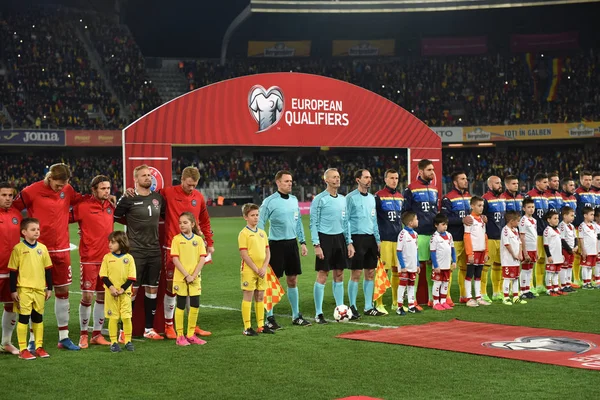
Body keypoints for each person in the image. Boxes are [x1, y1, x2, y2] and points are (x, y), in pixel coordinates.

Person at [13, 163, 84, 351]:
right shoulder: (31, 191)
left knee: (63, 292)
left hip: (61, 249)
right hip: (37, 250)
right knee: (34, 295)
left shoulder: (67, 190)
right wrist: (23, 233)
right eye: (58, 185)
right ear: (49, 178)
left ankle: (64, 337)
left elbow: (80, 201)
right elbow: (14, 209)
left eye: (63, 185)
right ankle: (32, 340)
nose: (61, 188)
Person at [159, 167, 214, 339]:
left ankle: (193, 325)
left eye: (194, 185)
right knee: (171, 288)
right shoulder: (167, 192)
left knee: (193, 287)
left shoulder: (198, 197)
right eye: (189, 184)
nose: (191, 188)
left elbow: (204, 221)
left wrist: (210, 243)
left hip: (193, 249)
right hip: (172, 247)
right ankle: (169, 326)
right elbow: (149, 197)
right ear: (181, 179)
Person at [114, 165, 165, 340]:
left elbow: (166, 217)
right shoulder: (128, 198)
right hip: (135, 252)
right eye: (143, 175)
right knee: (131, 292)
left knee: (152, 290)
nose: (147, 178)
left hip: (154, 251)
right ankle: (123, 332)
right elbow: (112, 217)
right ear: (135, 179)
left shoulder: (158, 198)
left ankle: (149, 329)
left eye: (149, 175)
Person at [258, 170, 310, 328]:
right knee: (273, 281)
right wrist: (261, 244)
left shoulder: (294, 200)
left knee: (293, 279)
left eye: (291, 181)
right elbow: (260, 223)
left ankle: (296, 316)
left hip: (292, 244)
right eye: (286, 181)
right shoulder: (269, 201)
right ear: (278, 183)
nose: (290, 184)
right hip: (275, 245)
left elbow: (298, 221)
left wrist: (302, 242)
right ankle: (269, 317)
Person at [71, 175, 114, 348]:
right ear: (94, 189)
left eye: (108, 188)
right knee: (88, 295)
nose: (107, 191)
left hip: (107, 259)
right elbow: (61, 220)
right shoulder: (83, 207)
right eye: (103, 188)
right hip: (89, 258)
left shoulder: (111, 206)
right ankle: (83, 334)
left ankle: (96, 334)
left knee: (103, 295)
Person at [310, 168, 354, 324]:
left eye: (338, 176)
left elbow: (346, 222)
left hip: (340, 238)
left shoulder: (343, 199)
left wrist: (349, 242)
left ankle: (341, 309)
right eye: (334, 177)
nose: (337, 179)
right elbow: (313, 223)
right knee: (323, 274)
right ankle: (318, 313)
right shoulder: (319, 199)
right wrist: (316, 244)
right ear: (326, 180)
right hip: (325, 239)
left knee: (340, 273)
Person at [8, 218, 53, 360]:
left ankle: (38, 346)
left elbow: (48, 270)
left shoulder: (43, 248)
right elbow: (13, 271)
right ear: (24, 232)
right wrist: (13, 290)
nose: (37, 232)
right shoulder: (18, 249)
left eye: (38, 229)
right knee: (23, 318)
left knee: (38, 318)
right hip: (24, 290)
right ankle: (23, 349)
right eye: (33, 229)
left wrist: (49, 288)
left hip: (40, 289)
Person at [346, 169, 384, 318]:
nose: (369, 180)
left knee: (370, 272)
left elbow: (374, 221)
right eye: (366, 177)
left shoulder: (372, 198)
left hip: (370, 239)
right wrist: (349, 241)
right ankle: (353, 306)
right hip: (356, 238)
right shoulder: (350, 198)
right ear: (358, 180)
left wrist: (378, 240)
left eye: (370, 177)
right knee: (356, 273)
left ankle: (369, 307)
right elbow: (346, 221)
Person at [402, 159, 438, 311]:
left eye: (433, 169)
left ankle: (432, 299)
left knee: (432, 266)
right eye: (429, 170)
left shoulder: (435, 189)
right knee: (415, 267)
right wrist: (410, 231)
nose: (432, 172)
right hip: (419, 234)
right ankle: (412, 300)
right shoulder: (410, 189)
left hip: (433, 233)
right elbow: (405, 212)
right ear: (421, 171)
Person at [171, 212, 207, 346]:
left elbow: (202, 258)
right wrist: (187, 275)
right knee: (180, 305)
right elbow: (175, 259)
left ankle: (191, 334)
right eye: (180, 223)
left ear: (192, 224)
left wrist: (194, 275)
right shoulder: (176, 239)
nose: (181, 225)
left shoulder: (198, 240)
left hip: (195, 278)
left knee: (195, 304)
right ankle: (180, 336)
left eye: (185, 222)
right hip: (181, 278)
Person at [238, 204, 273, 336]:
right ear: (245, 217)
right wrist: (256, 268)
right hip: (249, 270)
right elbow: (244, 254)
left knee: (260, 295)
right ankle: (247, 327)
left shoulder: (262, 233)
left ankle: (261, 325)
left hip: (262, 270)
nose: (255, 218)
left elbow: (268, 252)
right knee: (248, 295)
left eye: (257, 215)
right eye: (252, 215)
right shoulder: (243, 234)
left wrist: (264, 267)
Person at [100, 231, 136, 352]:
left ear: (121, 243)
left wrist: (122, 289)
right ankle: (114, 342)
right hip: (111, 294)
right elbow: (104, 276)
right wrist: (112, 288)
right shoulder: (107, 258)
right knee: (113, 317)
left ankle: (128, 341)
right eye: (109, 242)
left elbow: (131, 277)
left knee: (126, 317)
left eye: (113, 242)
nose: (110, 244)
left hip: (125, 294)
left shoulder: (129, 258)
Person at [374, 169, 404, 314]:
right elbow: (374, 218)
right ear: (385, 179)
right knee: (382, 271)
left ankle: (395, 303)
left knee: (397, 271)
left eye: (396, 178)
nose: (394, 180)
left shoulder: (400, 197)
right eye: (391, 178)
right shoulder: (378, 196)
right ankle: (378, 303)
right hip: (384, 239)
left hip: (397, 239)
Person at [440, 171, 470, 306]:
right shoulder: (447, 198)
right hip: (455, 238)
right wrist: (461, 220)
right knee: (450, 268)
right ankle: (446, 296)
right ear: (455, 182)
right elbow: (445, 219)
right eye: (462, 179)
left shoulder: (469, 197)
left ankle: (464, 295)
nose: (466, 181)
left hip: (468, 238)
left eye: (466, 179)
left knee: (465, 268)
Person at [0, 182, 22, 355]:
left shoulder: (16, 215)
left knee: (11, 304)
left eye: (10, 195)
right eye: (4, 195)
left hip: (12, 269)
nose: (8, 198)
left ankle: (6, 342)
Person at [525, 173, 549, 295]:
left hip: (545, 233)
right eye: (545, 182)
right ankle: (529, 285)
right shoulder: (529, 195)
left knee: (542, 259)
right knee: (533, 260)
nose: (547, 184)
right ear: (537, 183)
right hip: (533, 234)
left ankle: (539, 284)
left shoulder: (546, 196)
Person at [482, 176, 505, 302]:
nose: (500, 185)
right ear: (490, 185)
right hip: (489, 237)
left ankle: (497, 292)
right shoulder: (485, 199)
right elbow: (480, 216)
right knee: (486, 266)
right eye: (497, 183)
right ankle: (483, 293)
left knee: (499, 265)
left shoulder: (502, 198)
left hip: (501, 238)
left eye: (500, 183)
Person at [463, 196, 489, 307]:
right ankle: (468, 298)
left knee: (478, 275)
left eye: (482, 206)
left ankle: (478, 297)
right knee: (469, 274)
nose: (481, 208)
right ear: (472, 206)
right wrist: (469, 253)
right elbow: (467, 237)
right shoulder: (469, 219)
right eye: (479, 205)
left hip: (482, 251)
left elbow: (485, 236)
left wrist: (486, 252)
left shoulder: (482, 220)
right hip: (473, 252)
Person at [573, 171, 595, 288]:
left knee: (590, 253)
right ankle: (576, 279)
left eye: (590, 180)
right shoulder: (577, 194)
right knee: (578, 254)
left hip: (590, 228)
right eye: (586, 179)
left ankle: (588, 279)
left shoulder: (592, 193)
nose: (588, 182)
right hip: (579, 228)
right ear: (581, 180)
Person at [430, 214, 456, 311]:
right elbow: (432, 252)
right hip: (439, 266)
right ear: (436, 225)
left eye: (446, 224)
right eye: (443, 224)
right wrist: (436, 265)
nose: (445, 226)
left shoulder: (449, 235)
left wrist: (454, 260)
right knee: (437, 283)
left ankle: (443, 301)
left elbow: (452, 249)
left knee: (445, 283)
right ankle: (435, 302)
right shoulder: (434, 237)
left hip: (447, 265)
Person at [396, 212, 420, 315]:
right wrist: (402, 266)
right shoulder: (402, 234)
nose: (418, 221)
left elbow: (416, 250)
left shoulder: (415, 234)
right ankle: (399, 307)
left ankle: (411, 305)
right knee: (402, 285)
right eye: (416, 219)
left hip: (413, 265)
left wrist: (418, 264)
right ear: (410, 222)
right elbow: (399, 250)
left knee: (411, 285)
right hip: (405, 266)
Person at [500, 211, 524, 306]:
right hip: (508, 259)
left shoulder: (516, 230)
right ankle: (505, 297)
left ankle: (515, 296)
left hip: (516, 259)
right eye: (517, 221)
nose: (518, 223)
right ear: (511, 221)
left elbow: (520, 243)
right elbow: (507, 244)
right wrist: (514, 254)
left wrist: (520, 254)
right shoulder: (505, 230)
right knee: (507, 278)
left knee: (515, 278)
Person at [543, 210, 567, 296]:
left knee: (556, 273)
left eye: (557, 218)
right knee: (550, 273)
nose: (557, 220)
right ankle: (549, 290)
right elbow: (545, 245)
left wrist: (561, 254)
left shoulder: (558, 230)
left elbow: (559, 244)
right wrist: (549, 256)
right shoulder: (547, 230)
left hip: (558, 256)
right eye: (554, 218)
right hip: (551, 256)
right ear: (549, 220)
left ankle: (556, 288)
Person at [519, 198, 538, 299]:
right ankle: (523, 291)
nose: (531, 209)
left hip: (533, 248)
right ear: (524, 208)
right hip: (527, 248)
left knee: (530, 269)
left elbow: (534, 236)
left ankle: (528, 289)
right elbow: (522, 237)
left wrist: (537, 251)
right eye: (529, 207)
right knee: (525, 269)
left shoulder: (534, 220)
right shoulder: (523, 220)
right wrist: (524, 252)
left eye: (532, 207)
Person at [558, 206, 577, 292]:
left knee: (569, 267)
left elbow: (575, 237)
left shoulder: (572, 226)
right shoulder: (562, 225)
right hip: (565, 250)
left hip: (572, 250)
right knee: (564, 267)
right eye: (571, 215)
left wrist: (576, 246)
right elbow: (562, 239)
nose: (573, 217)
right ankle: (563, 285)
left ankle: (568, 284)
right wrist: (569, 249)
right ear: (565, 216)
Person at [578, 207, 597, 289]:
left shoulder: (593, 225)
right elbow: (581, 239)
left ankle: (589, 282)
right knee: (585, 266)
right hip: (587, 250)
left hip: (593, 250)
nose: (593, 216)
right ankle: (585, 283)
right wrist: (583, 250)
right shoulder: (582, 226)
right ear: (585, 215)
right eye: (591, 214)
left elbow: (595, 238)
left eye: (593, 214)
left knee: (590, 267)